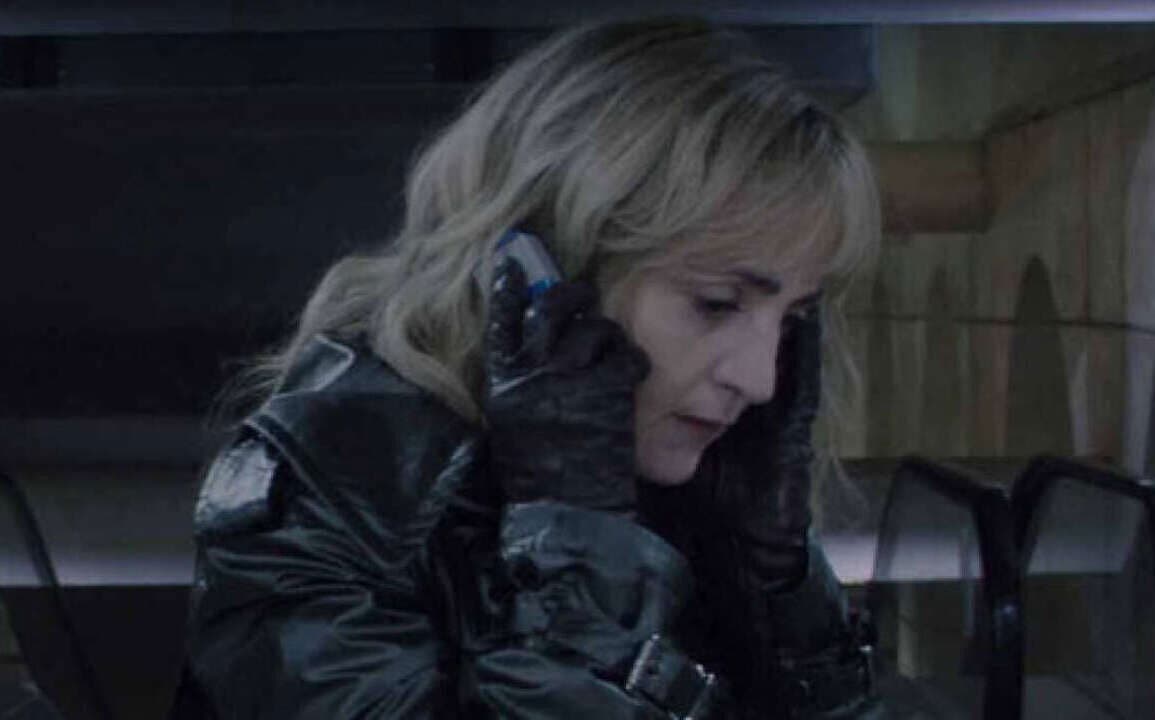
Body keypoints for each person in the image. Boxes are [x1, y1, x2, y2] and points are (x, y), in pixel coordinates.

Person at [172, 17, 883, 719]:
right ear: (549, 270)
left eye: (790, 320)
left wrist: (780, 591)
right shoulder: (330, 491)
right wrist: (579, 556)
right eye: (716, 303)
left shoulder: (685, 477)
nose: (759, 381)